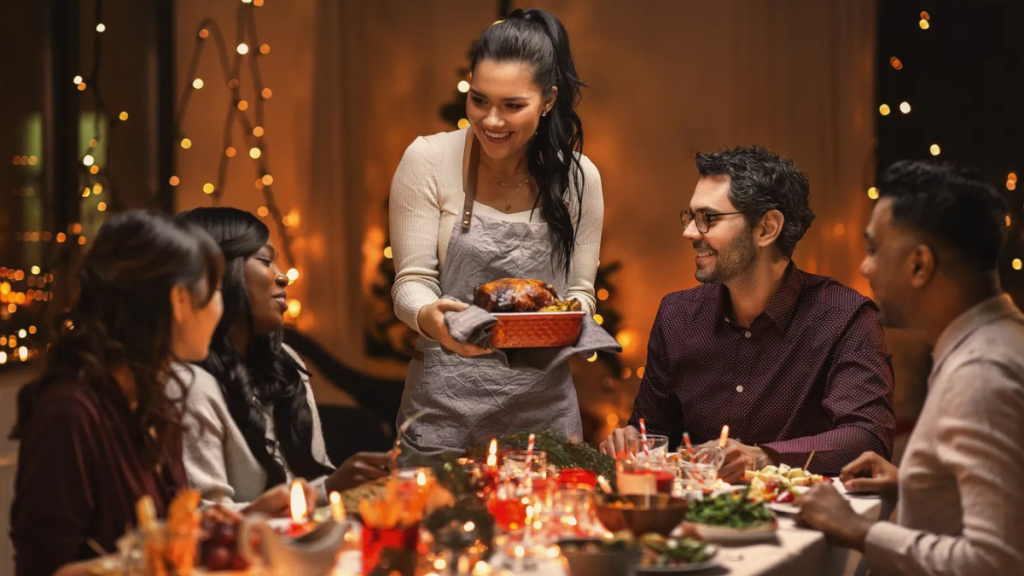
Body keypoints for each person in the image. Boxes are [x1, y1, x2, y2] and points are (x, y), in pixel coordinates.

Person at [601, 146, 896, 481]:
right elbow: (652, 434)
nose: (690, 232)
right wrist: (632, 440)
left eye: (708, 218)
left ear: (766, 228)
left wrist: (762, 457)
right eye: (691, 217)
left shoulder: (845, 316)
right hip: (696, 519)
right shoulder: (678, 315)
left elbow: (867, 439)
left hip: (805, 521)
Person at [389, 8, 603, 457]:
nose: (491, 121)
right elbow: (411, 283)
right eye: (480, 99)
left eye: (512, 105)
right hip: (443, 412)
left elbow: (580, 294)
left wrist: (555, 325)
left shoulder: (579, 179)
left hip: (544, 419)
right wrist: (430, 318)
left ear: (547, 101)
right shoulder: (427, 159)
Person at [797, 161, 1024, 574]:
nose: (865, 267)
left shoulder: (981, 373)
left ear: (920, 264)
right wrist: (917, 484)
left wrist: (858, 530)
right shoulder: (1001, 339)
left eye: (873, 250)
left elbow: (997, 563)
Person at [9, 211, 227, 576]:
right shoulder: (70, 415)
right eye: (217, 288)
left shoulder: (153, 401)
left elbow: (165, 538)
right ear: (180, 300)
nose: (223, 305)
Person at [174, 207, 390, 512]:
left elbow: (311, 485)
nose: (283, 276)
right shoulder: (188, 384)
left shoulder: (285, 362)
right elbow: (205, 519)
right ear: (217, 275)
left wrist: (335, 486)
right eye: (264, 260)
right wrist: (324, 492)